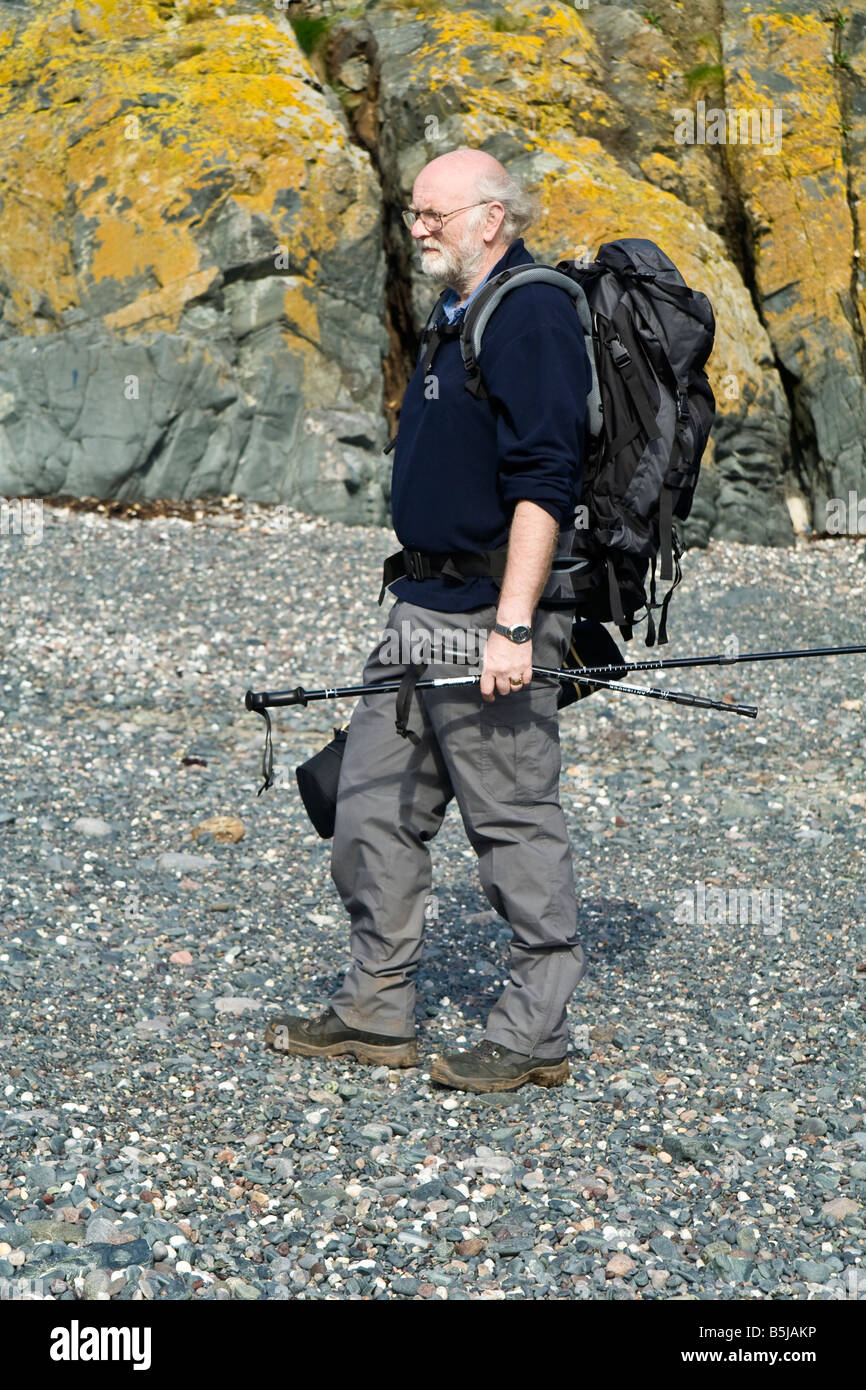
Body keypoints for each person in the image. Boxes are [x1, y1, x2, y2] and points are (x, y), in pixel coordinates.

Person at [265, 147, 591, 1092]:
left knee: (513, 825)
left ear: (491, 218)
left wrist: (517, 626)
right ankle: (376, 1010)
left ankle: (534, 1036)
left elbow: (547, 482)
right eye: (412, 213)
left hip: (490, 613)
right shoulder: (457, 314)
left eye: (432, 215)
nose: (416, 229)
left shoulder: (529, 313)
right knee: (366, 806)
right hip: (418, 608)